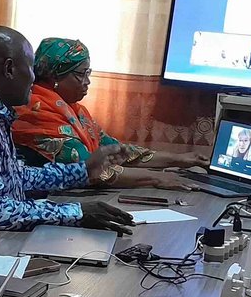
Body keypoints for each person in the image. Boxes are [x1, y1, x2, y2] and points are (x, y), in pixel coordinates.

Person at [0, 26, 134, 234]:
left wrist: (84, 170)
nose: (33, 80)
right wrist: (76, 212)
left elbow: (16, 177)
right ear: (9, 69)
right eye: (31, 69)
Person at [11, 37, 202, 186]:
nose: (88, 81)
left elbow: (116, 150)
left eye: (89, 73)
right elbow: (90, 169)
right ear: (55, 76)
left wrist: (178, 159)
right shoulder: (35, 111)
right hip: (42, 201)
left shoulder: (74, 110)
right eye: (81, 74)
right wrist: (156, 179)